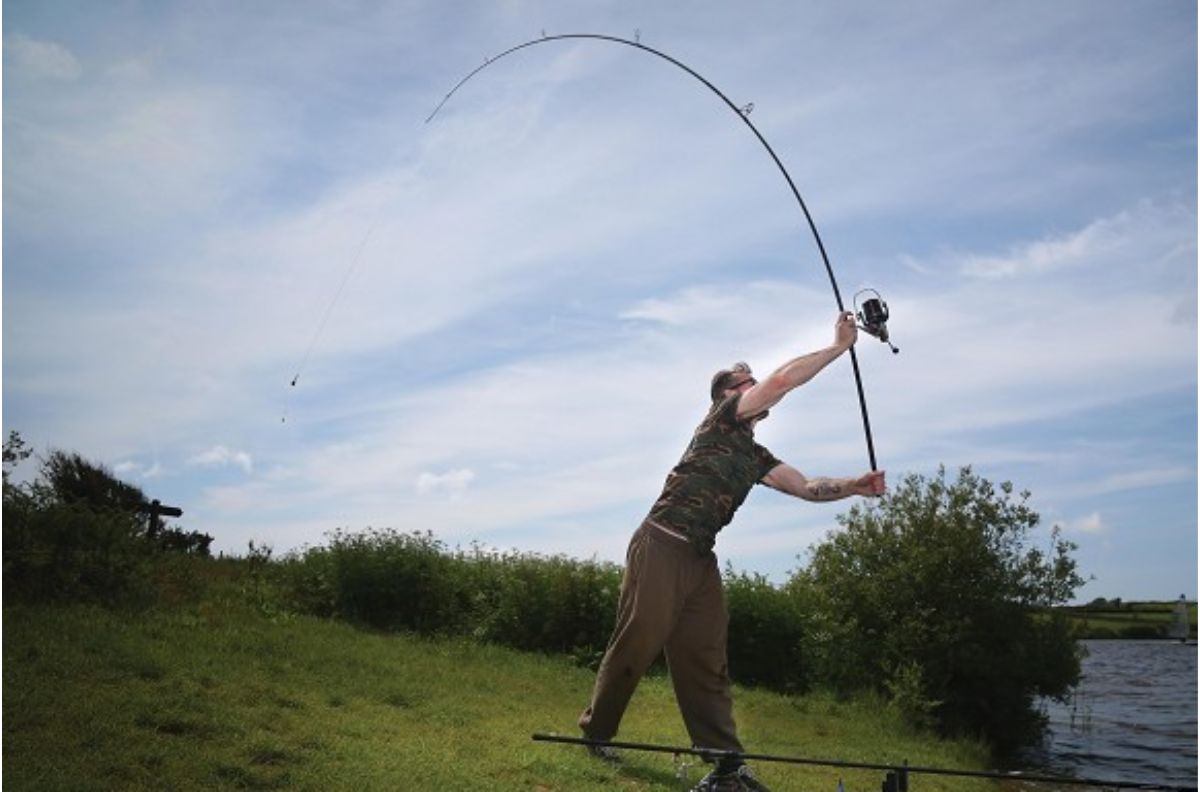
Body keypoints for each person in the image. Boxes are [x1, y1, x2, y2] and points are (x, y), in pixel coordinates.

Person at [578, 311, 887, 792]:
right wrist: (837, 348)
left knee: (706, 658)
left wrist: (854, 486)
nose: (757, 387)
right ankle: (597, 733)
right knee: (637, 642)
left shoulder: (754, 456)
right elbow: (784, 379)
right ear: (726, 396)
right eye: (746, 383)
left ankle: (726, 763)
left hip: (700, 559)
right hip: (661, 541)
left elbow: (806, 486)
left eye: (753, 383)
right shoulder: (721, 420)